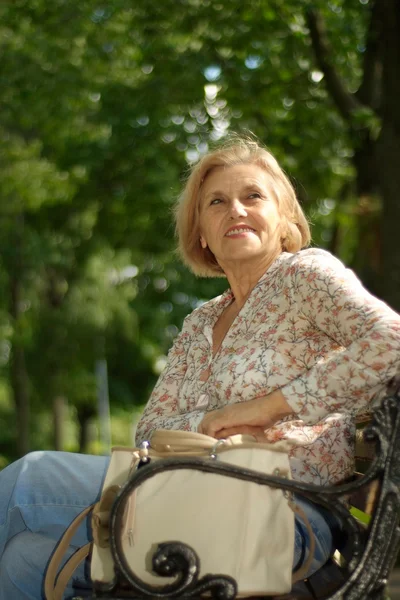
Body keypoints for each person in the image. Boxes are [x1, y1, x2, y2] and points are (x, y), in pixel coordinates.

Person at [0, 137, 399, 600]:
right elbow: (150, 430)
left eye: (253, 196)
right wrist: (216, 428)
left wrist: (269, 408)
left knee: (31, 479)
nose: (236, 210)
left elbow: (390, 341)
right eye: (217, 202)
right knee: (23, 557)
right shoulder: (201, 321)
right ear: (201, 234)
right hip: (180, 495)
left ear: (285, 217)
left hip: (279, 510)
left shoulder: (304, 277)